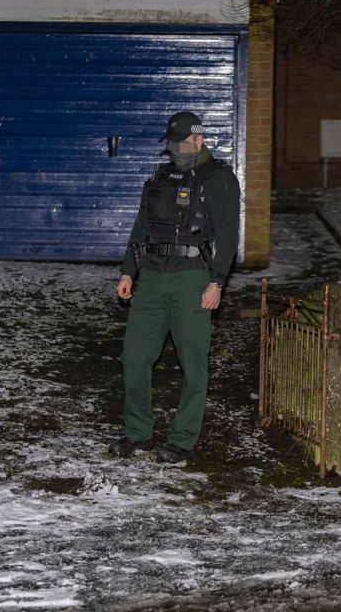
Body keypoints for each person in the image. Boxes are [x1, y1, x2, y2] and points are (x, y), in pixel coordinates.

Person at [110, 111, 240, 463]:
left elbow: (228, 237)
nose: (174, 150)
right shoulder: (161, 177)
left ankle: (183, 440)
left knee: (193, 364)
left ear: (199, 140)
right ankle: (138, 434)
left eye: (180, 143)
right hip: (151, 277)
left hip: (193, 279)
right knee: (134, 357)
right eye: (170, 144)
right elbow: (141, 228)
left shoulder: (220, 179)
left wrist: (218, 283)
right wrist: (127, 272)